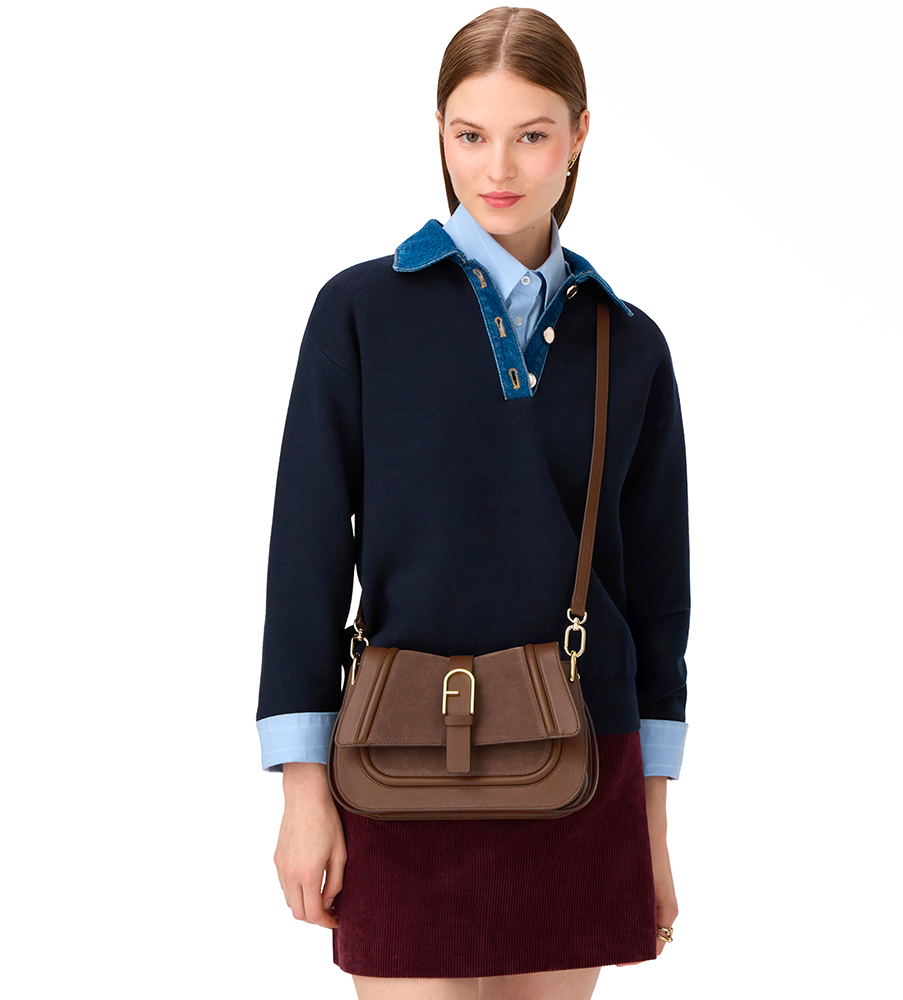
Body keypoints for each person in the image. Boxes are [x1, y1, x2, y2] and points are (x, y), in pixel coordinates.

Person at [255, 7, 691, 998]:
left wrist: (652, 830)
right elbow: (305, 560)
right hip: (395, 758)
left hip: (584, 762)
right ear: (440, 134)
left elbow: (658, 603)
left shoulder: (629, 342)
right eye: (470, 135)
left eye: (531, 134)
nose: (498, 167)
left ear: (579, 135)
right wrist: (302, 792)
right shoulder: (359, 311)